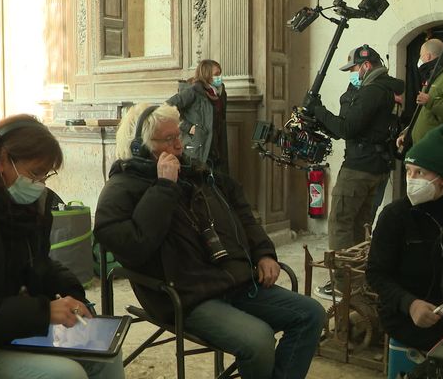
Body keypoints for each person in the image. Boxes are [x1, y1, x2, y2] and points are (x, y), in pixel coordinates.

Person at [95, 103, 325, 379]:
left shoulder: (197, 173)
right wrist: (164, 188)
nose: (179, 145)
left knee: (311, 313)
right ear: (138, 146)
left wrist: (264, 252)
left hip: (234, 281)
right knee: (259, 340)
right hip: (186, 297)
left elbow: (242, 212)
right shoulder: (121, 189)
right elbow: (133, 247)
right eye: (168, 139)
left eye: (178, 135)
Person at [0, 115, 123, 379]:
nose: (40, 184)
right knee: (65, 374)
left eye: (45, 174)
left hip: (11, 329)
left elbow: (35, 262)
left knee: (105, 354)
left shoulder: (24, 204)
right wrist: (41, 313)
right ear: (2, 160)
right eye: (35, 173)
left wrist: (72, 293)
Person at [306, 45, 404, 296]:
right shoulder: (390, 88)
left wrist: (317, 109)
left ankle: (342, 284)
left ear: (366, 65)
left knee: (340, 222)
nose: (352, 74)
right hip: (378, 166)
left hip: (359, 168)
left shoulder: (373, 90)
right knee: (360, 224)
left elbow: (347, 128)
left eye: (353, 69)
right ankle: (359, 280)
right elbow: (350, 128)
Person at [366, 123, 443, 351]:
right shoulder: (395, 216)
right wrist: (410, 304)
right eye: (409, 171)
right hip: (403, 313)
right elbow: (376, 274)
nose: (411, 179)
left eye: (420, 172)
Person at [396, 39, 443, 159]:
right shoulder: (434, 77)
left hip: (441, 151)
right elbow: (425, 114)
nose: (419, 60)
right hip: (424, 149)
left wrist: (431, 102)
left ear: (428, 56)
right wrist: (409, 133)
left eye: (421, 56)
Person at [166, 59, 229, 174]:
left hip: (215, 146)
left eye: (220, 73)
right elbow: (168, 107)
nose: (219, 77)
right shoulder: (193, 91)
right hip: (197, 146)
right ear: (206, 74)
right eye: (216, 74)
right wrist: (187, 127)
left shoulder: (220, 93)